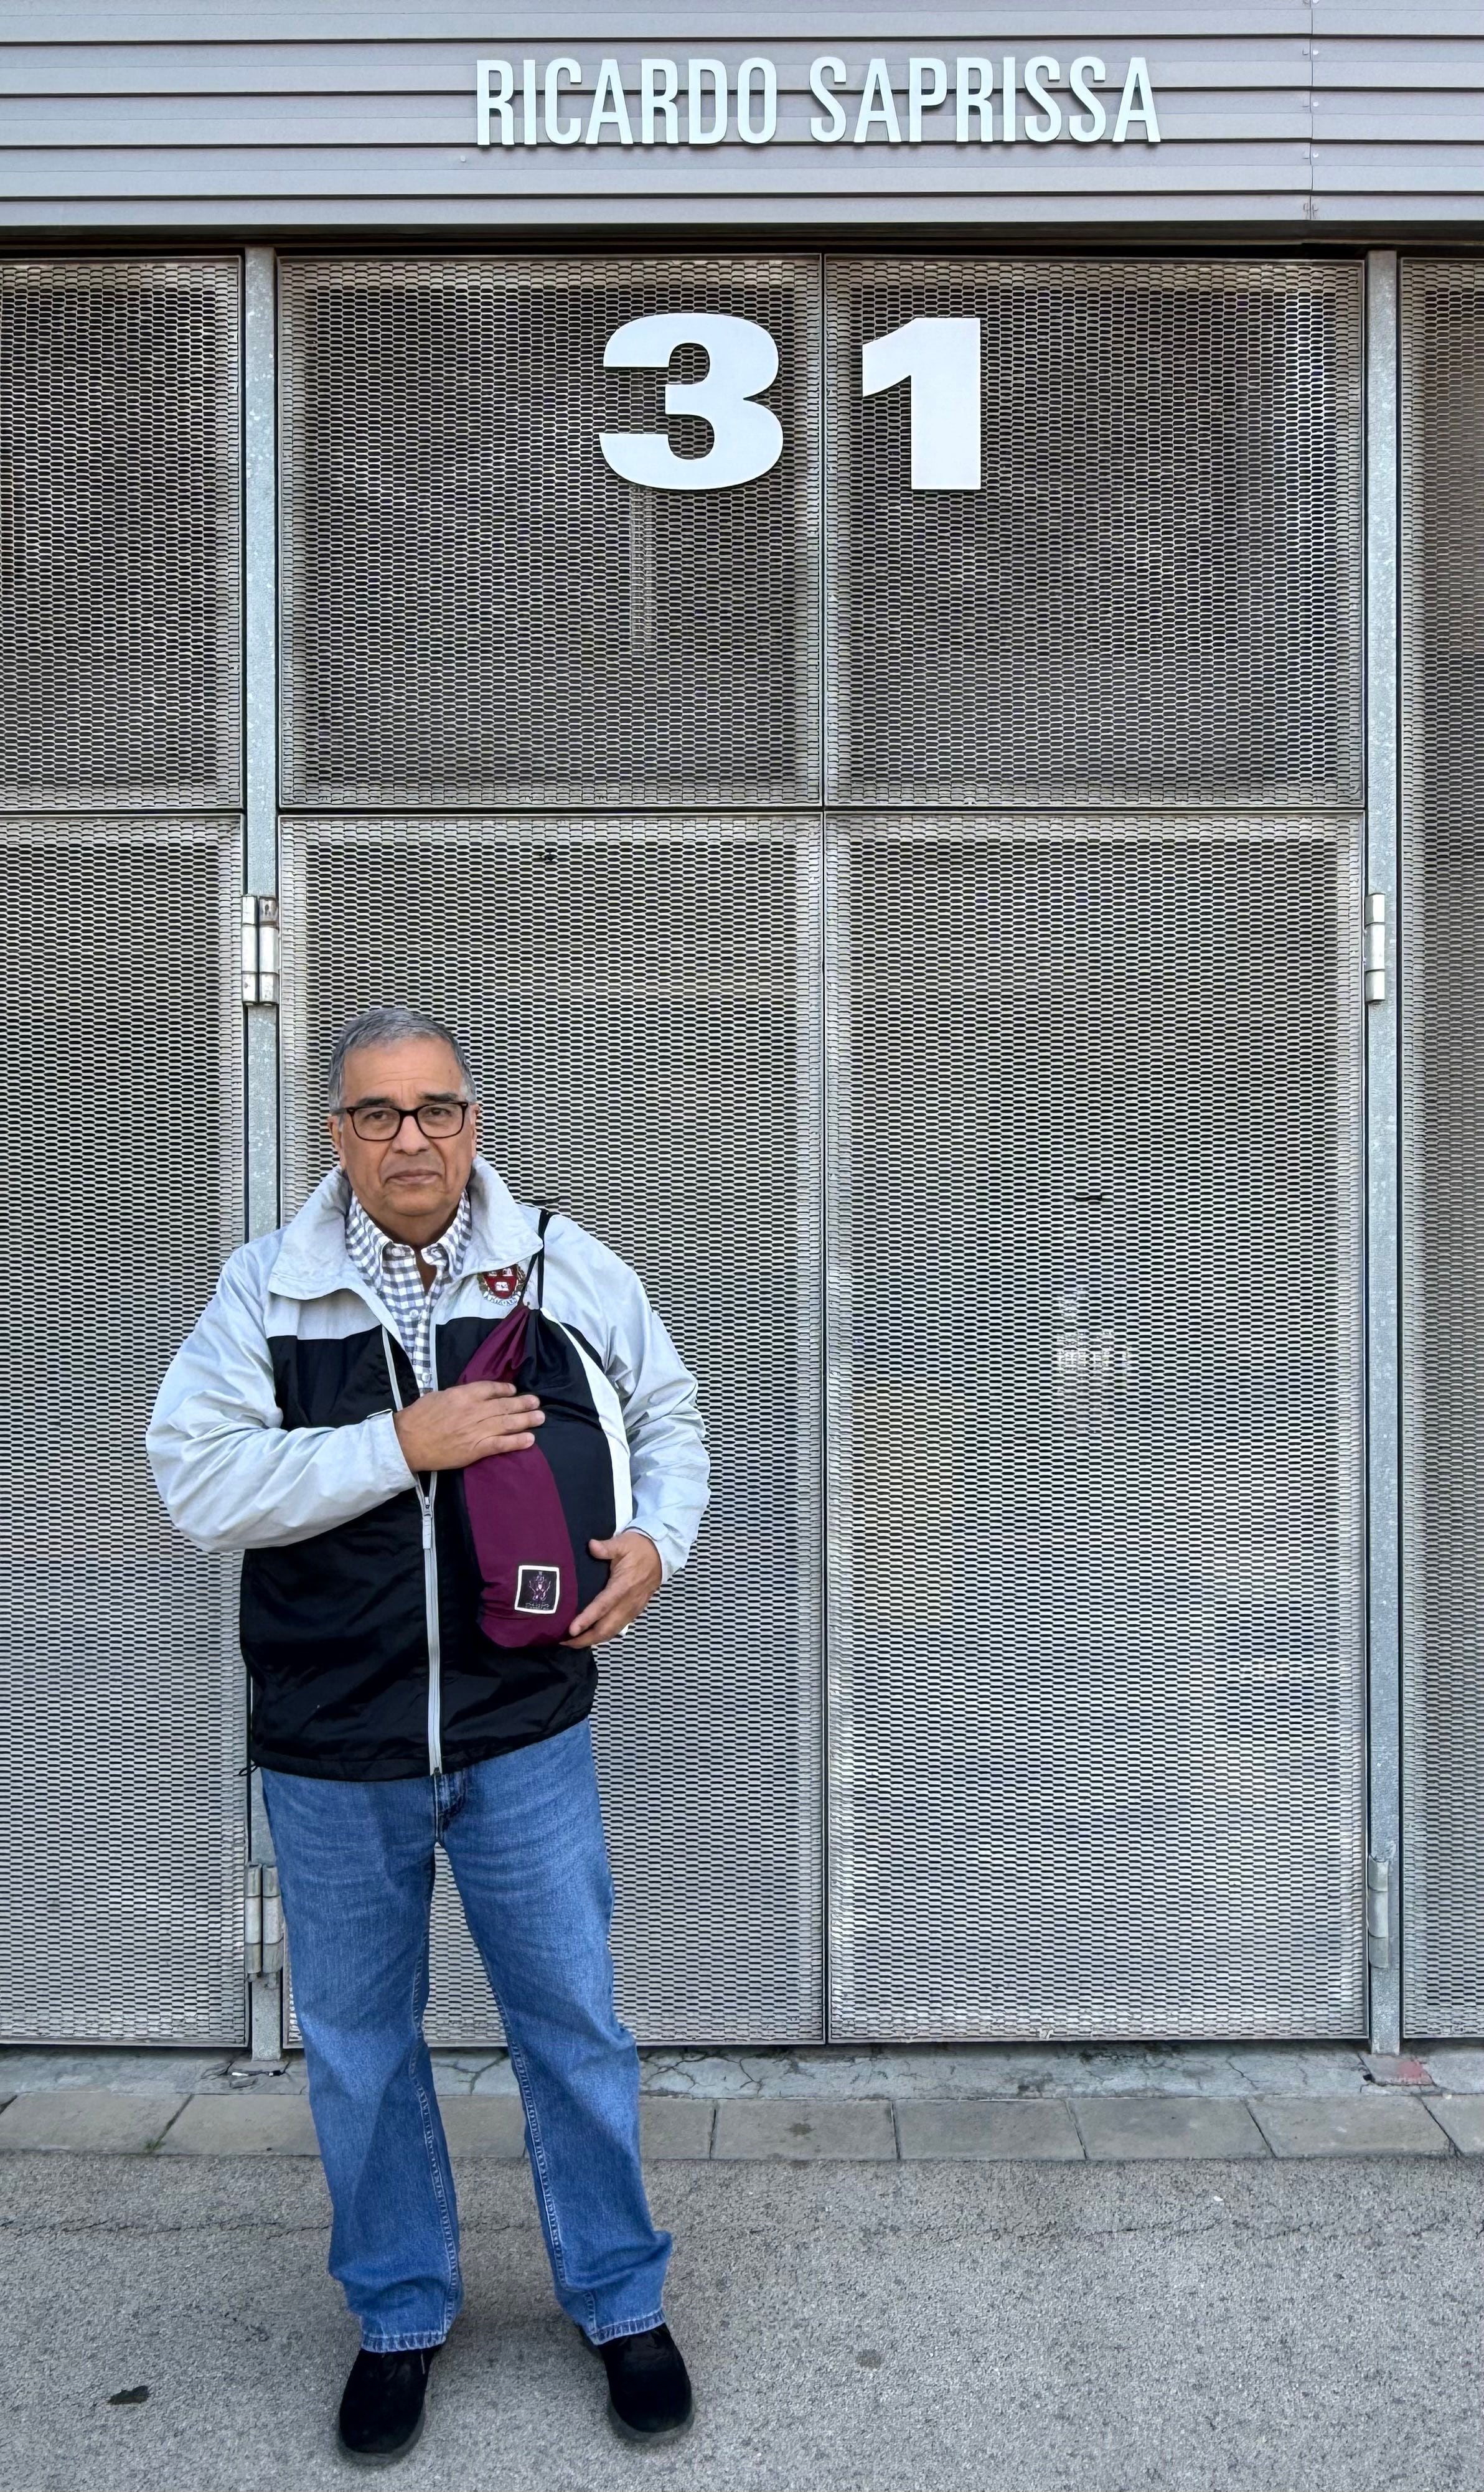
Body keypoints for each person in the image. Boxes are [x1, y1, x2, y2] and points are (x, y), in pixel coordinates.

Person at [148, 1004, 709, 2464]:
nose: (411, 1137)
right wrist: (399, 1444)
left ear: (473, 1122)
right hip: (332, 1747)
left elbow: (670, 1412)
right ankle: (399, 2313)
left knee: (573, 2026)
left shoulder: (562, 1264)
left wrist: (658, 1540)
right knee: (358, 2051)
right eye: (377, 1113)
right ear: (337, 1135)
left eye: (436, 1108)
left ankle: (620, 2299)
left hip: (525, 1732)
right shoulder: (269, 1289)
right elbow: (197, 1482)